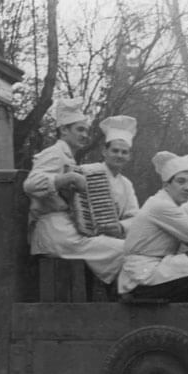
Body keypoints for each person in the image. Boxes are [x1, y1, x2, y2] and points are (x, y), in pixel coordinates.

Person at [23, 98, 124, 284]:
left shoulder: (67, 157)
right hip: (54, 233)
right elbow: (31, 184)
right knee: (122, 250)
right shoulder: (53, 153)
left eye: (86, 130)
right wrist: (68, 178)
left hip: (65, 231)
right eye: (80, 129)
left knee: (119, 247)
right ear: (63, 130)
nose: (85, 135)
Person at [118, 151, 188, 301]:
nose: (187, 187)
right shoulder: (162, 206)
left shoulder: (164, 203)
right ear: (166, 185)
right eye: (181, 181)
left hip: (145, 273)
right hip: (142, 278)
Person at [80, 115, 140, 238]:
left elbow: (134, 216)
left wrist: (121, 226)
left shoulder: (127, 184)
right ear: (104, 151)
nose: (119, 155)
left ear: (129, 156)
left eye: (124, 152)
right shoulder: (87, 170)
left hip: (114, 236)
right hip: (85, 235)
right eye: (115, 150)